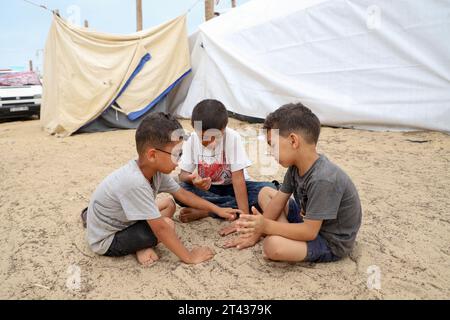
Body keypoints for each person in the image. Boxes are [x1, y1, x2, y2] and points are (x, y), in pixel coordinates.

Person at [85, 112, 241, 266]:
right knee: (168, 225)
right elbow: (161, 229)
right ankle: (141, 247)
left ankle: (140, 242)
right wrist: (189, 257)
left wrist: (217, 209)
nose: (179, 161)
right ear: (152, 155)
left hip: (121, 219)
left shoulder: (153, 170)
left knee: (168, 203)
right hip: (107, 239)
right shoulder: (135, 181)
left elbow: (183, 194)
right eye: (176, 154)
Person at [226, 103, 362, 263]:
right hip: (308, 219)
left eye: (273, 145)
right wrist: (255, 235)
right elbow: (278, 202)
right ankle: (282, 231)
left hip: (329, 239)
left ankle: (280, 233)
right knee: (265, 192)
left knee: (272, 246)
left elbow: (310, 232)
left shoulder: (323, 178)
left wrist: (267, 226)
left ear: (293, 141)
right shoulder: (295, 168)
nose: (270, 152)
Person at [177, 99, 275, 235]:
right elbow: (182, 175)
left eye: (215, 137)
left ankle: (209, 211)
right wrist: (193, 179)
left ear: (224, 129)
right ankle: (221, 209)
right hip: (209, 191)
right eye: (204, 137)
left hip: (234, 188)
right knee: (179, 189)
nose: (209, 142)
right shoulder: (192, 140)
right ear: (195, 129)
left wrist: (244, 218)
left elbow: (238, 180)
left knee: (269, 190)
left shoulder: (232, 138)